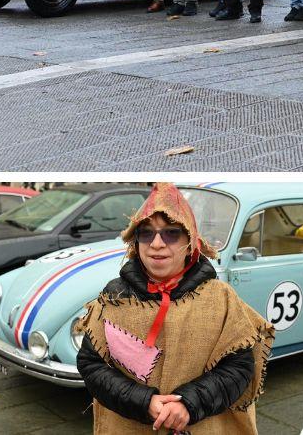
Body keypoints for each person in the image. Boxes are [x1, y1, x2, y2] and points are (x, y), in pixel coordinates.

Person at [76, 182, 274, 434]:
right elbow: (92, 365)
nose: (157, 243)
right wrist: (144, 402)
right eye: (146, 233)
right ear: (136, 241)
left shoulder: (220, 299)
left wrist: (189, 404)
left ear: (189, 241)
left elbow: (239, 367)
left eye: (171, 233)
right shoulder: (115, 298)